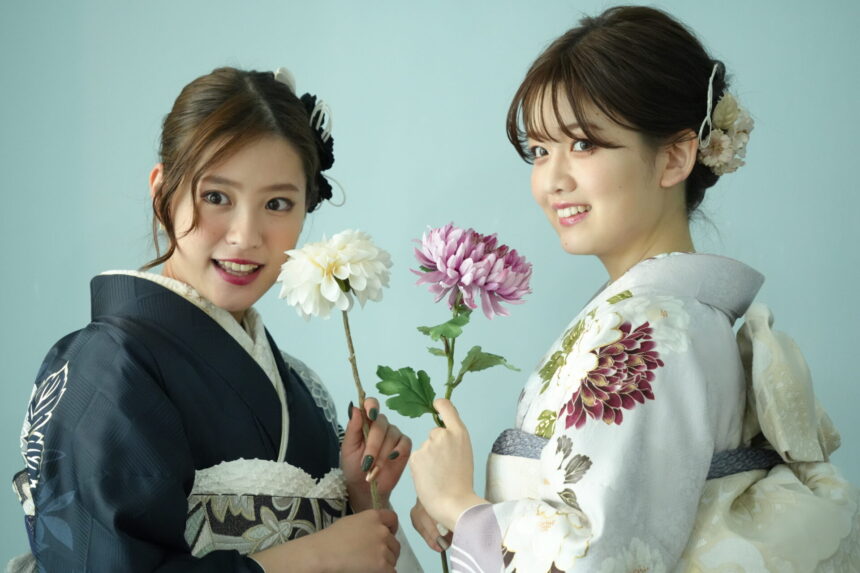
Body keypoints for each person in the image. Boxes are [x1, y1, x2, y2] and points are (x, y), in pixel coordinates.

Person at [409, 6, 859, 572]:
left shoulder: (651, 327)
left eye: (583, 145)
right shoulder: (673, 316)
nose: (553, 180)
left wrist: (460, 504)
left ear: (674, 157)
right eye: (540, 151)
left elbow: (599, 560)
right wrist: (462, 517)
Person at [11, 66, 417, 573]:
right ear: (163, 192)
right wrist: (309, 557)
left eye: (277, 203)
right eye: (217, 197)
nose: (246, 235)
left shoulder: (303, 386)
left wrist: (360, 494)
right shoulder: (107, 365)